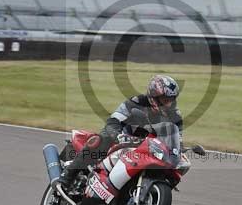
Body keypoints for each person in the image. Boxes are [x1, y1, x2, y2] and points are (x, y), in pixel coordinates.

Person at [54, 74, 183, 189]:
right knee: (99, 140)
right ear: (154, 96)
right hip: (122, 138)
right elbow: (114, 119)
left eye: (171, 100)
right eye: (165, 100)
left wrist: (180, 151)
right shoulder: (136, 102)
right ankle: (68, 176)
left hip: (148, 147)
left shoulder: (175, 116)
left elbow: (176, 138)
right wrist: (116, 134)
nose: (169, 104)